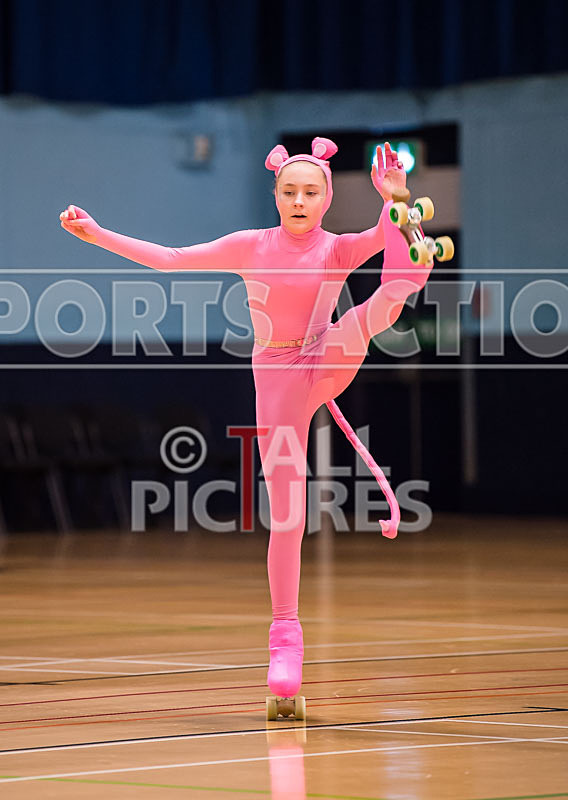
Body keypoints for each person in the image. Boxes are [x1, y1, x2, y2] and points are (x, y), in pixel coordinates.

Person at [60, 138, 433, 706]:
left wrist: (396, 203)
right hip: (277, 376)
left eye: (311, 192)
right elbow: (170, 259)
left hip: (326, 354)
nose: (300, 201)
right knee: (288, 511)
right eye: (290, 192)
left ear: (327, 196)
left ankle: (420, 261)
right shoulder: (251, 246)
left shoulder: (335, 248)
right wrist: (99, 233)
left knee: (380, 302)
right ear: (276, 195)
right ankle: (285, 637)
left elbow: (384, 242)